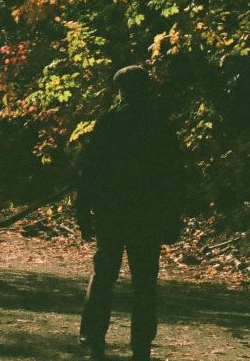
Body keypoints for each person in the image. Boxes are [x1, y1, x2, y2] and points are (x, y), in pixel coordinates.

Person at [76, 66, 186, 361]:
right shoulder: (160, 126)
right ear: (146, 88)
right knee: (145, 281)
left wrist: (82, 210)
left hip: (111, 212)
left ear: (119, 90)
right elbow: (174, 175)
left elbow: (90, 170)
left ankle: (93, 335)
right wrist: (174, 216)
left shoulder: (108, 122)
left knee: (104, 275)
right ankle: (141, 345)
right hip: (147, 215)